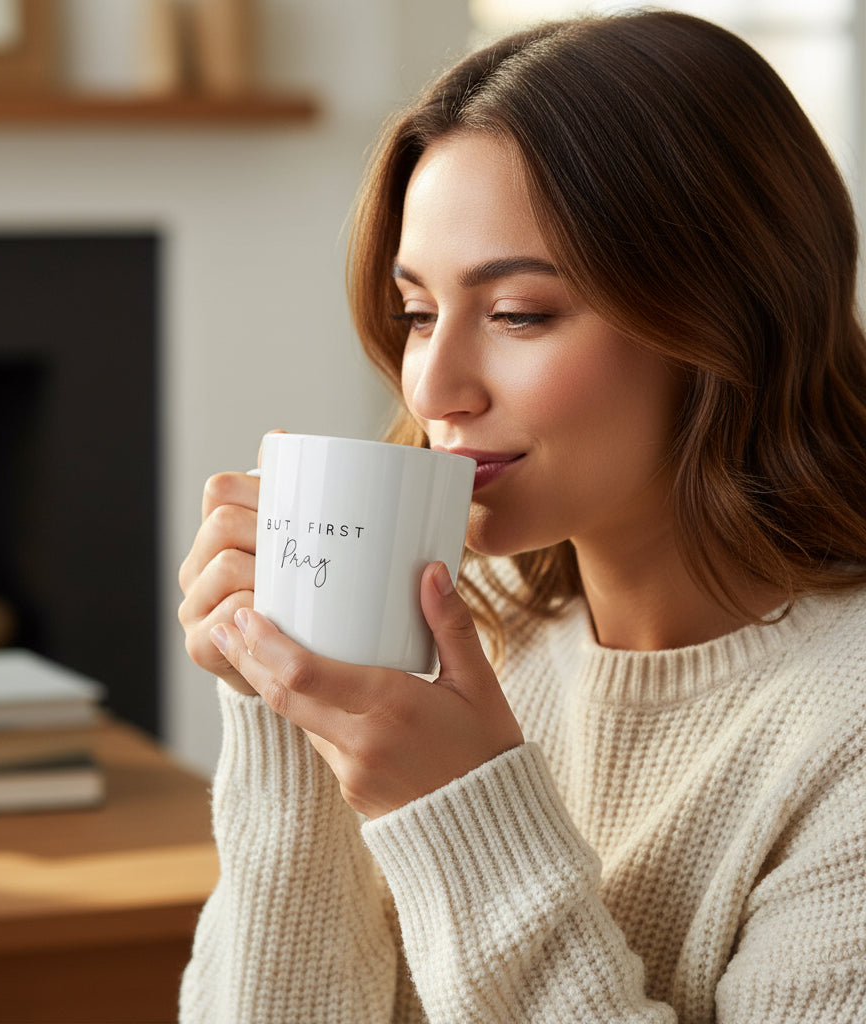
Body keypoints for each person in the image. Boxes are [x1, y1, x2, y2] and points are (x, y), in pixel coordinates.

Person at [176, 10, 866, 1022]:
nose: (436, 384)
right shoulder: (464, 617)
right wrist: (283, 701)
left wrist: (461, 809)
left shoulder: (840, 730)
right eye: (417, 313)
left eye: (517, 314)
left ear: (725, 313)